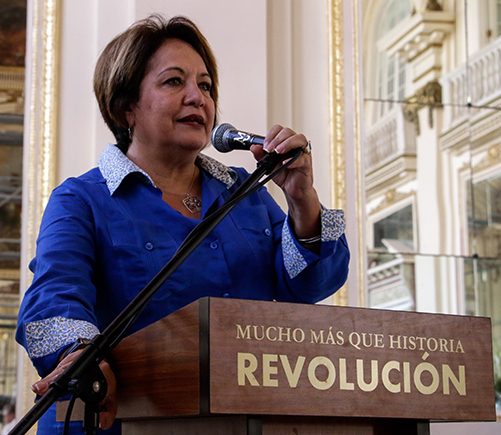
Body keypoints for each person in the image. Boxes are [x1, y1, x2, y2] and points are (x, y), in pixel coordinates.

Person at [16, 14, 349, 434]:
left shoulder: (244, 192)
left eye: (206, 86)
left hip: (243, 417)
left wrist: (302, 196)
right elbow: (54, 298)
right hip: (122, 422)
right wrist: (81, 353)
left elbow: (310, 286)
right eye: (175, 82)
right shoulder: (81, 199)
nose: (198, 98)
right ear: (126, 107)